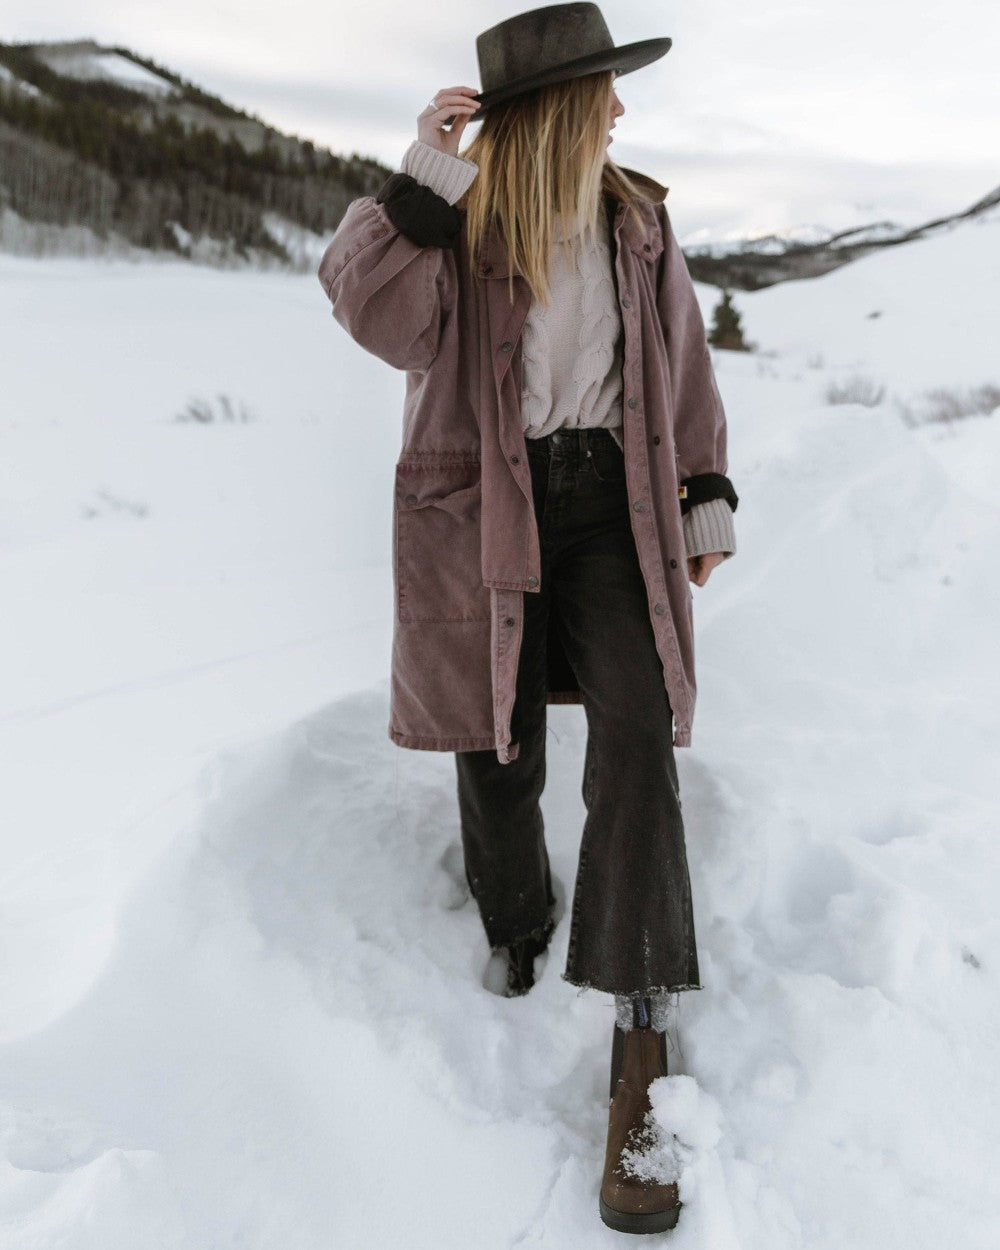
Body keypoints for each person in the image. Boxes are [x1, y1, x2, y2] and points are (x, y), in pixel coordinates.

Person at [317, 3, 738, 1234]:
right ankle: (516, 922)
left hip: (613, 503)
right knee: (494, 731)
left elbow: (683, 361)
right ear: (555, 107)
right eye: (601, 90)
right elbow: (364, 311)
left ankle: (641, 1024)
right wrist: (419, 182)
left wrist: (701, 491)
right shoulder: (455, 229)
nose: (619, 109)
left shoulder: (636, 222)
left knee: (640, 728)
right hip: (490, 503)